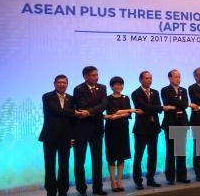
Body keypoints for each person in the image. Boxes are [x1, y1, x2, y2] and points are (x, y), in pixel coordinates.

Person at [132, 71, 175, 189]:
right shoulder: (135, 93)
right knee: (139, 155)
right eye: (146, 78)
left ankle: (150, 179)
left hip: (153, 128)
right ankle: (138, 181)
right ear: (140, 80)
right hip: (141, 129)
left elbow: (152, 108)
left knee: (153, 155)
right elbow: (145, 106)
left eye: (150, 78)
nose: (149, 80)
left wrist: (154, 108)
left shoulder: (155, 92)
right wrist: (159, 108)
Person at [39, 75, 79, 196]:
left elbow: (73, 121)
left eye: (64, 83)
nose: (62, 84)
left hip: (66, 137)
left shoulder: (72, 99)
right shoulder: (47, 96)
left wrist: (73, 136)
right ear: (54, 84)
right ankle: (51, 191)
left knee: (64, 165)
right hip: (49, 136)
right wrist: (74, 112)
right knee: (50, 165)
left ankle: (63, 191)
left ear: (67, 84)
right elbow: (55, 110)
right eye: (59, 82)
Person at [73, 66, 108, 196]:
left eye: (97, 75)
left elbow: (104, 104)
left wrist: (89, 112)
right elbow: (82, 105)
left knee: (97, 160)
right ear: (86, 76)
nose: (96, 77)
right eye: (93, 75)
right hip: (81, 129)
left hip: (97, 128)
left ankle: (97, 188)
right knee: (79, 161)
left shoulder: (102, 88)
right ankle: (81, 189)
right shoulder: (79, 89)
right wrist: (92, 110)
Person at [104, 76, 141, 192]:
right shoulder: (107, 98)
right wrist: (127, 111)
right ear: (111, 86)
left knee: (121, 156)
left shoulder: (126, 98)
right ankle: (113, 182)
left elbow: (125, 113)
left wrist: (120, 114)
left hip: (123, 129)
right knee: (111, 157)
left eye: (120, 84)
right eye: (116, 85)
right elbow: (115, 111)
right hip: (111, 129)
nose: (118, 87)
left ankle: (119, 181)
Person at [161, 70, 191, 185]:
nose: (178, 79)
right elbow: (170, 100)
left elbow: (184, 104)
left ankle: (182, 176)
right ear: (170, 78)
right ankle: (170, 177)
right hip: (171, 123)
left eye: (179, 77)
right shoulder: (165, 90)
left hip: (182, 122)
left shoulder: (183, 90)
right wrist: (179, 102)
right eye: (176, 77)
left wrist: (178, 103)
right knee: (171, 151)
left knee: (181, 151)